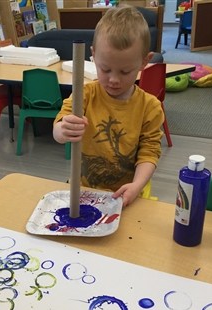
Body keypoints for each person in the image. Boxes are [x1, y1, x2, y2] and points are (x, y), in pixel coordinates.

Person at [53, 5, 164, 207]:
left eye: (125, 72)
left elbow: (149, 153)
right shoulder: (84, 95)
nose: (113, 80)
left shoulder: (150, 107)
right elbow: (58, 130)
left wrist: (137, 185)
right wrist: (63, 130)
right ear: (93, 55)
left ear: (144, 62)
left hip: (129, 195)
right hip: (86, 191)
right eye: (105, 69)